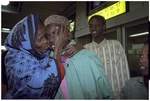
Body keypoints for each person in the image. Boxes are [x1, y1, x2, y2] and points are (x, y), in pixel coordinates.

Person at [44, 14, 115, 99]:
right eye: (48, 36)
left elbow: (106, 93)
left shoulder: (87, 57)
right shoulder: (46, 60)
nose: (51, 39)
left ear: (67, 33)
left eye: (56, 33)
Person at [3, 14, 67, 99]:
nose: (46, 41)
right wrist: (58, 49)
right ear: (27, 44)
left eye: (45, 36)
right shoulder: (17, 61)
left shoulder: (38, 52)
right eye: (40, 39)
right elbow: (42, 86)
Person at [84, 15, 130, 98]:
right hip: (94, 97)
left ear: (104, 27)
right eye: (91, 26)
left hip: (116, 96)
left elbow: (124, 73)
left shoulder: (115, 45)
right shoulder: (85, 49)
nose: (93, 28)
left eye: (97, 25)